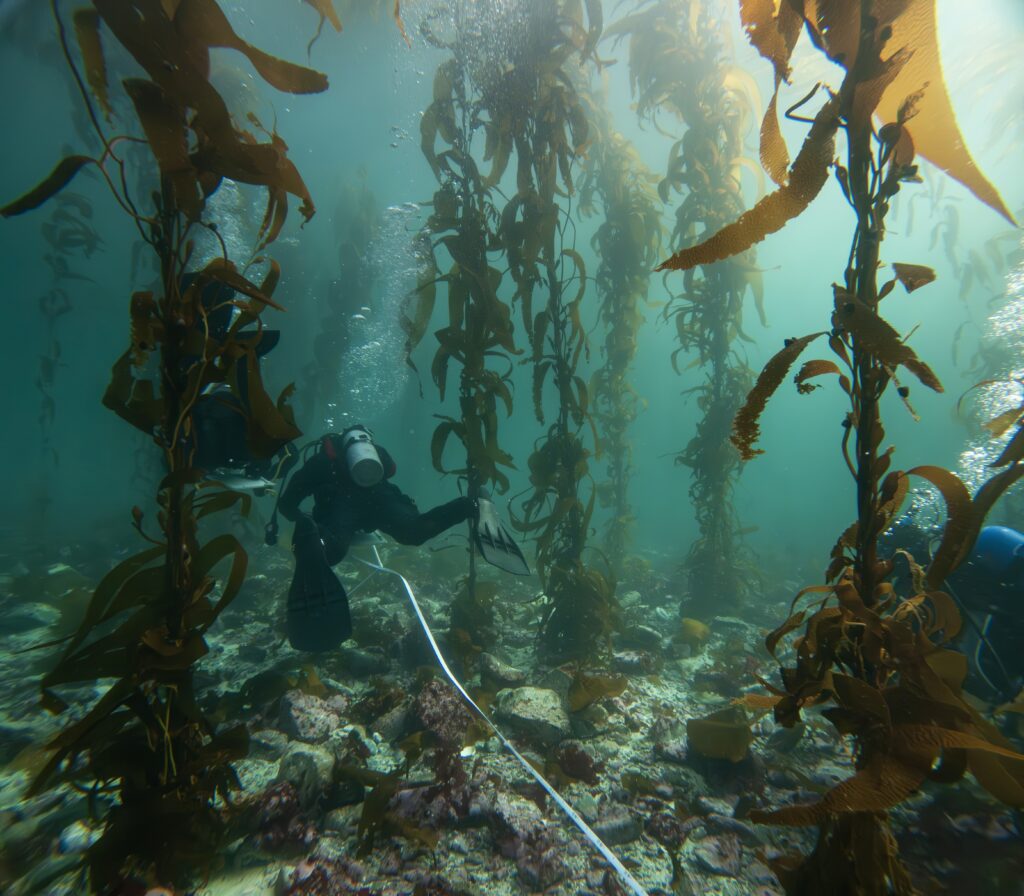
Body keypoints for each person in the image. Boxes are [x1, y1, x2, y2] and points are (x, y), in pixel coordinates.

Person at [271, 424, 529, 652]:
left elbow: (286, 504)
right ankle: (472, 505)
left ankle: (312, 537)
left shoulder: (321, 461)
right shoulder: (376, 455)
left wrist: (304, 517)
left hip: (341, 503)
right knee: (415, 531)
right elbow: (390, 470)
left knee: (332, 551)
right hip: (381, 498)